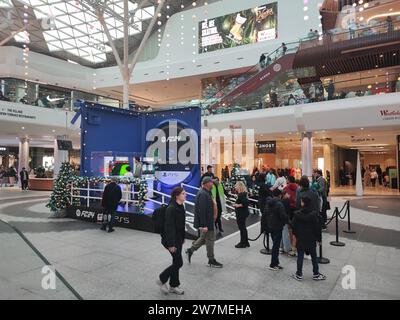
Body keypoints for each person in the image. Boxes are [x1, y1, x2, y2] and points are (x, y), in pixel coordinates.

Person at [185, 177, 223, 268]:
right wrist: (204, 225)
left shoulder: (207, 192)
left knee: (203, 239)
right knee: (210, 240)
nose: (212, 183)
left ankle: (190, 250)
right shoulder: (202, 194)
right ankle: (211, 260)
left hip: (209, 221)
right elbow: (202, 211)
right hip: (207, 222)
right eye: (211, 182)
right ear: (206, 183)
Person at [158, 187, 186, 295]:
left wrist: (182, 238)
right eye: (183, 193)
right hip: (171, 240)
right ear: (177, 196)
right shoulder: (171, 208)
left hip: (178, 239)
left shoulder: (181, 207)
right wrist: (171, 244)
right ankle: (162, 278)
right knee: (179, 262)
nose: (185, 195)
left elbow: (181, 225)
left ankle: (173, 286)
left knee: (176, 262)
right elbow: (169, 228)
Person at [291, 196, 326, 281]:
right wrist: (319, 239)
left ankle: (299, 274)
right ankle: (316, 273)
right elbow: (317, 228)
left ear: (303, 203)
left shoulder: (297, 214)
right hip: (311, 238)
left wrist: (296, 236)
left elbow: (294, 227)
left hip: (301, 238)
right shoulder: (314, 215)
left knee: (300, 256)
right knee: (314, 256)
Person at [265, 189, 288, 271]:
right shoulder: (279, 204)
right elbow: (283, 215)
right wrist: (285, 222)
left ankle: (276, 263)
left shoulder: (268, 203)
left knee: (275, 245)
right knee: (276, 246)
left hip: (270, 225)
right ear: (279, 195)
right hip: (278, 226)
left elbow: (266, 214)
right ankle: (273, 264)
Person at [234, 181, 250, 248]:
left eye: (236, 186)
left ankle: (242, 243)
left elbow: (246, 203)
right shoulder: (243, 193)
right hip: (243, 212)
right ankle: (246, 242)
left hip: (241, 213)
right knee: (243, 227)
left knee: (242, 228)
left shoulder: (241, 195)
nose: (235, 187)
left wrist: (238, 205)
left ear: (239, 186)